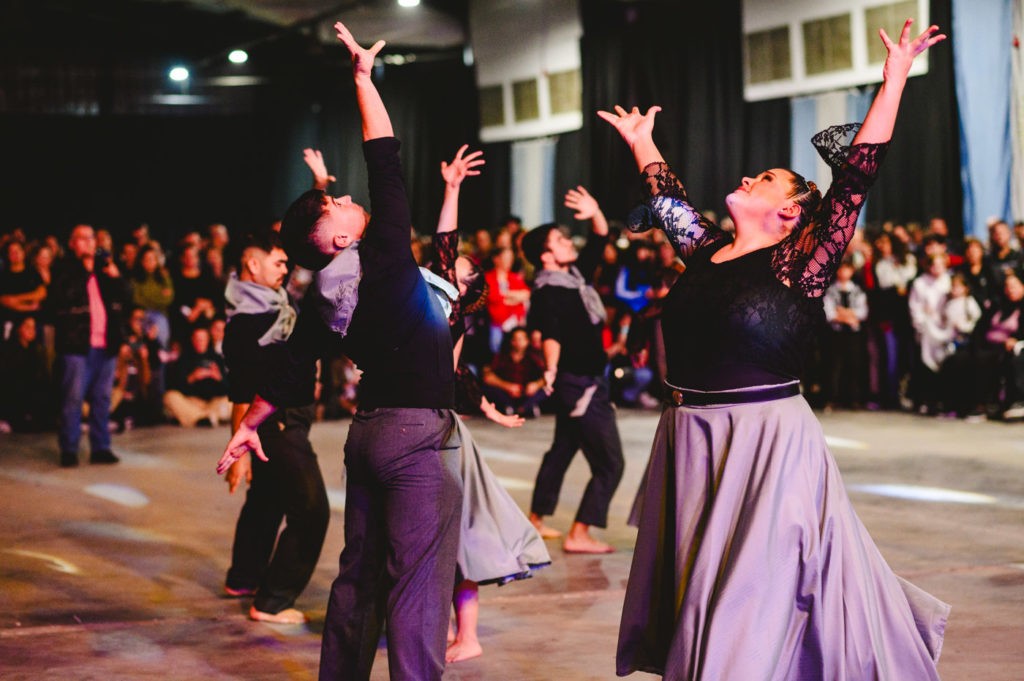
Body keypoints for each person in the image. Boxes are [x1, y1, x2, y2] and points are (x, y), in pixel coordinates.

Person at [602, 19, 949, 679]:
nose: (747, 176)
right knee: (700, 581)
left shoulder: (802, 261)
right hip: (691, 437)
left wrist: (896, 78)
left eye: (763, 177)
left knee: (747, 590)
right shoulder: (705, 249)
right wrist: (644, 142)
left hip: (767, 437)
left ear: (789, 211)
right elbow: (670, 202)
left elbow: (855, 181)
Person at [218, 23, 462, 681]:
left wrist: (249, 424)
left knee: (357, 576)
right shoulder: (380, 249)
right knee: (417, 582)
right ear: (329, 239)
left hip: (368, 435)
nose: (346, 198)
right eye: (333, 205)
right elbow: (384, 153)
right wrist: (362, 81)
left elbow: (292, 368)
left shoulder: (323, 295)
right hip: (416, 435)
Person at [426, 145, 550, 664]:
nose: (449, 264)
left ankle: (467, 634)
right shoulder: (423, 300)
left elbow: (456, 374)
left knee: (465, 534)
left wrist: (453, 190)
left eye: (458, 266)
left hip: (440, 429)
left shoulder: (450, 312)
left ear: (465, 286)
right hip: (413, 423)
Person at [221, 230, 329, 625]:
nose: (286, 269)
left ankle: (243, 578)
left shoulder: (273, 306)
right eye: (279, 262)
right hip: (276, 422)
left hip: (287, 417)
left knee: (267, 497)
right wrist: (239, 452)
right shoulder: (249, 322)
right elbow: (242, 393)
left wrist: (318, 189)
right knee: (312, 508)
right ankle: (272, 600)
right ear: (252, 263)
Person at [520, 186, 626, 554]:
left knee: (564, 447)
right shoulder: (549, 290)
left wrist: (595, 208)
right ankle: (580, 533)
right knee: (610, 463)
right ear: (546, 256)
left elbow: (599, 237)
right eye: (559, 240)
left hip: (586, 378)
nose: (568, 242)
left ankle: (536, 519)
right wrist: (550, 369)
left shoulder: (575, 278)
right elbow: (552, 334)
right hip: (579, 383)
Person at [50, 224, 127, 467]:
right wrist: (85, 271)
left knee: (102, 399)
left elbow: (126, 299)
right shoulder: (63, 268)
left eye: (90, 238)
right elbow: (62, 298)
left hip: (106, 344)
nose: (88, 242)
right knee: (73, 399)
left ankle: (101, 447)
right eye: (81, 238)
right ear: (72, 243)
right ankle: (70, 449)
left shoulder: (104, 270)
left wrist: (116, 278)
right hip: (76, 345)